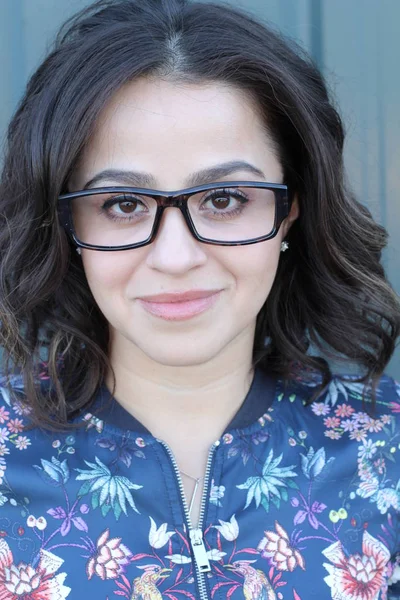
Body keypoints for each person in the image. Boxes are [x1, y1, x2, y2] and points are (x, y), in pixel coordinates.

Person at [0, 0, 399, 598]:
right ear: (64, 225)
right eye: (123, 205)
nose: (177, 257)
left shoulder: (386, 445)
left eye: (225, 199)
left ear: (290, 209)